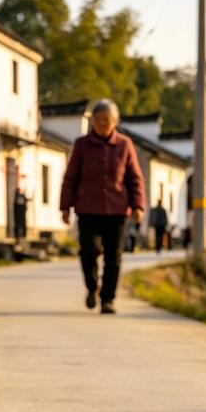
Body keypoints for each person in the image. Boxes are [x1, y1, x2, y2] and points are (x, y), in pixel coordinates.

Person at [59, 99, 145, 314]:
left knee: (113, 256)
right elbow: (70, 178)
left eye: (106, 119)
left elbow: (134, 178)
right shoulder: (81, 145)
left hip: (117, 210)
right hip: (87, 208)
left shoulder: (125, 145)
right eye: (97, 120)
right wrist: (65, 206)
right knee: (88, 252)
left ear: (115, 121)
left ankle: (108, 299)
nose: (101, 123)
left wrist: (138, 206)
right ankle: (91, 287)